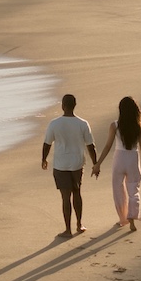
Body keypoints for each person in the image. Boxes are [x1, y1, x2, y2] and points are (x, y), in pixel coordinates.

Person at [41, 93, 98, 238]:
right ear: (74, 106)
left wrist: (44, 159)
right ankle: (79, 224)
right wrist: (95, 163)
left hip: (60, 164)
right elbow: (91, 146)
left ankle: (68, 229)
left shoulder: (54, 123)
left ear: (62, 106)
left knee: (65, 197)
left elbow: (47, 143)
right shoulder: (82, 123)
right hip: (77, 164)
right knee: (77, 193)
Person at [94, 96, 141, 232]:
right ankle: (132, 219)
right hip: (132, 159)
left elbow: (107, 146)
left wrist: (98, 164)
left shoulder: (115, 125)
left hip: (119, 158)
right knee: (133, 190)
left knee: (118, 190)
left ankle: (122, 218)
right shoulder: (139, 127)